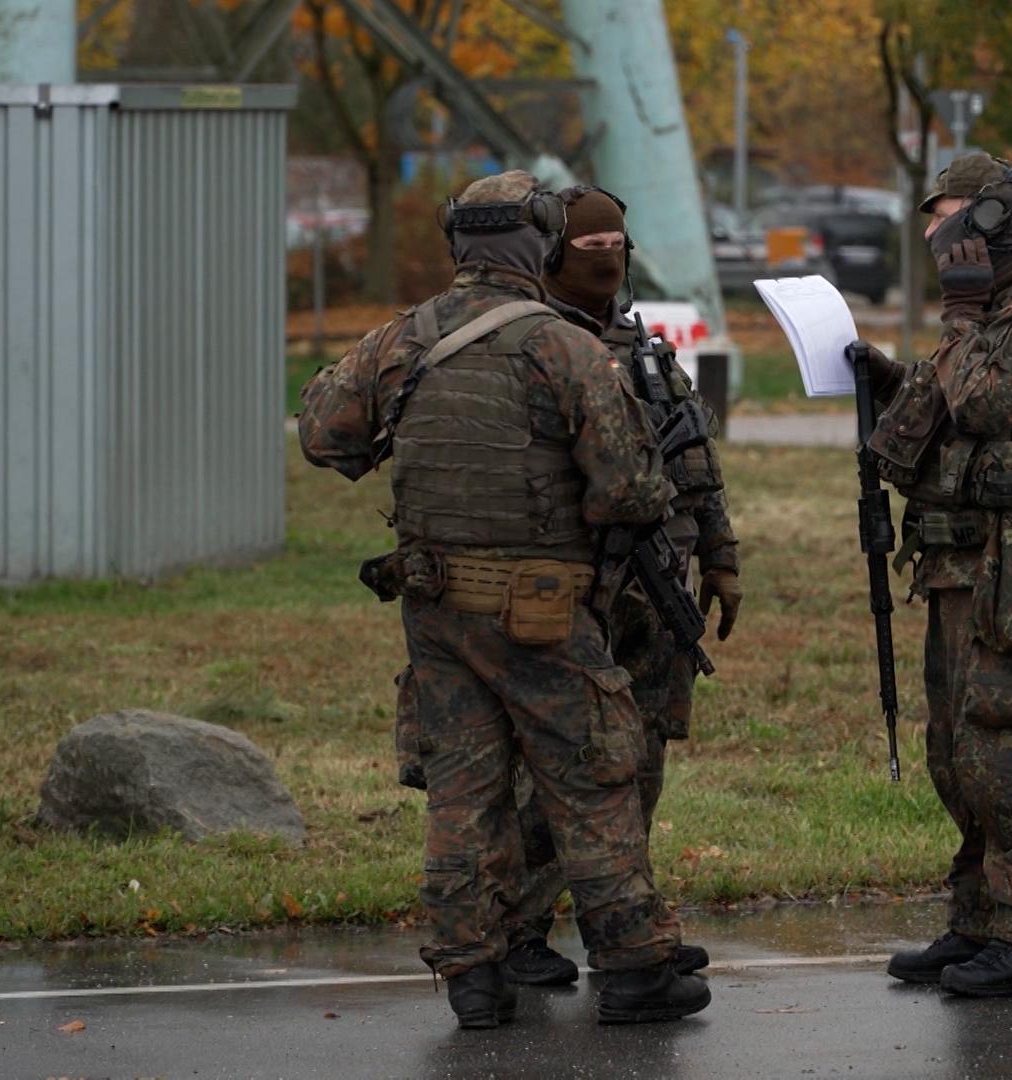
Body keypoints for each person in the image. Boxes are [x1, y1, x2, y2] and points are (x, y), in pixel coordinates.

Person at [295, 170, 711, 1028]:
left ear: (458, 244)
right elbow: (634, 490)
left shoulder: (401, 339)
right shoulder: (565, 348)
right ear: (545, 242)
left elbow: (322, 435)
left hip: (436, 611)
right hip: (544, 610)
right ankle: (634, 967)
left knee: (462, 792)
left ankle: (472, 977)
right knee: (593, 778)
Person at [848, 151, 1012, 997]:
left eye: (945, 212)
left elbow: (981, 403)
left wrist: (958, 316)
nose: (931, 229)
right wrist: (885, 376)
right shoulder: (993, 306)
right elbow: (942, 409)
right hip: (961, 557)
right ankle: (979, 920)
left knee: (1006, 746)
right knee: (956, 750)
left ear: (989, 219)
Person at [498, 183, 742, 988]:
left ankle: (630, 921)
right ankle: (518, 931)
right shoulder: (533, 348)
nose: (606, 262)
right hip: (578, 589)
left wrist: (720, 554)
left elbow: (693, 462)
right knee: (560, 768)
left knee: (640, 762)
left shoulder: (644, 350)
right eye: (589, 249)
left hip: (659, 590)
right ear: (551, 255)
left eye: (617, 250)